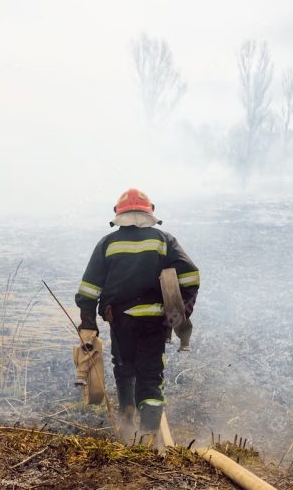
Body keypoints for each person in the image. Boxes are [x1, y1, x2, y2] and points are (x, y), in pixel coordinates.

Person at [75, 188, 200, 444]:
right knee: (151, 375)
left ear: (118, 214)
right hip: (154, 321)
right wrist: (179, 313)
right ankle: (148, 435)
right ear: (149, 212)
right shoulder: (163, 241)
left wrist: (88, 323)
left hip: (121, 320)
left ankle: (127, 416)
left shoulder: (108, 244)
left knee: (124, 367)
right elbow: (190, 277)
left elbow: (89, 288)